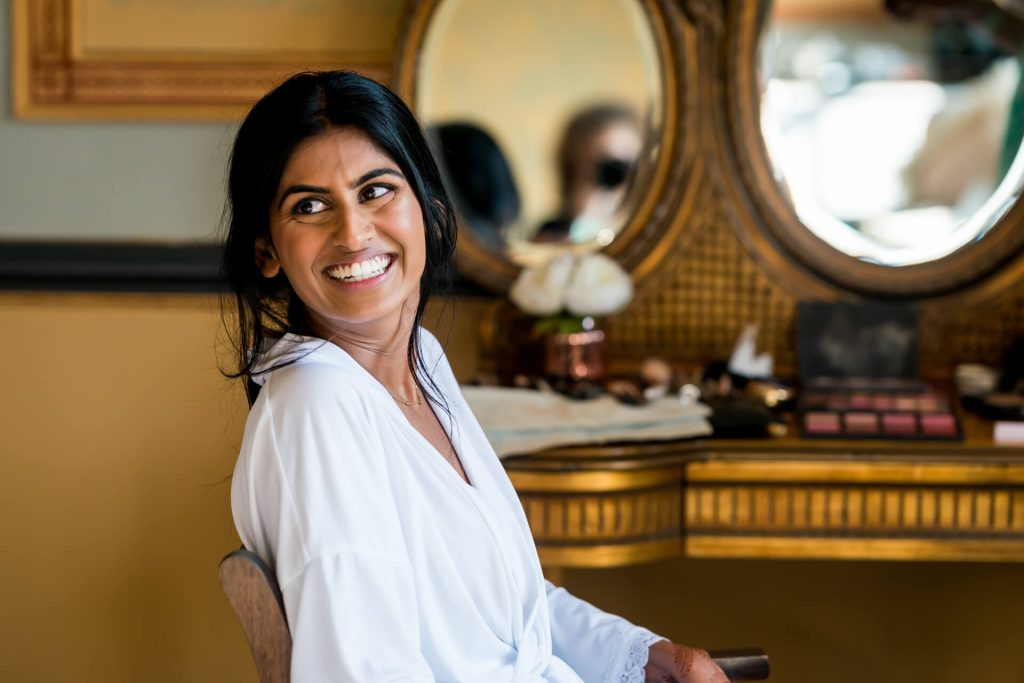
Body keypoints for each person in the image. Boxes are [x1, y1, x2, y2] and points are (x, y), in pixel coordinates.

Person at [222, 70, 727, 683]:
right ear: (267, 251)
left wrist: (643, 657)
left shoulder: (422, 362)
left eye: (376, 191)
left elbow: (507, 610)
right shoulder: (318, 404)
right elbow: (362, 672)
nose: (352, 233)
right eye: (309, 205)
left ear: (431, 213)